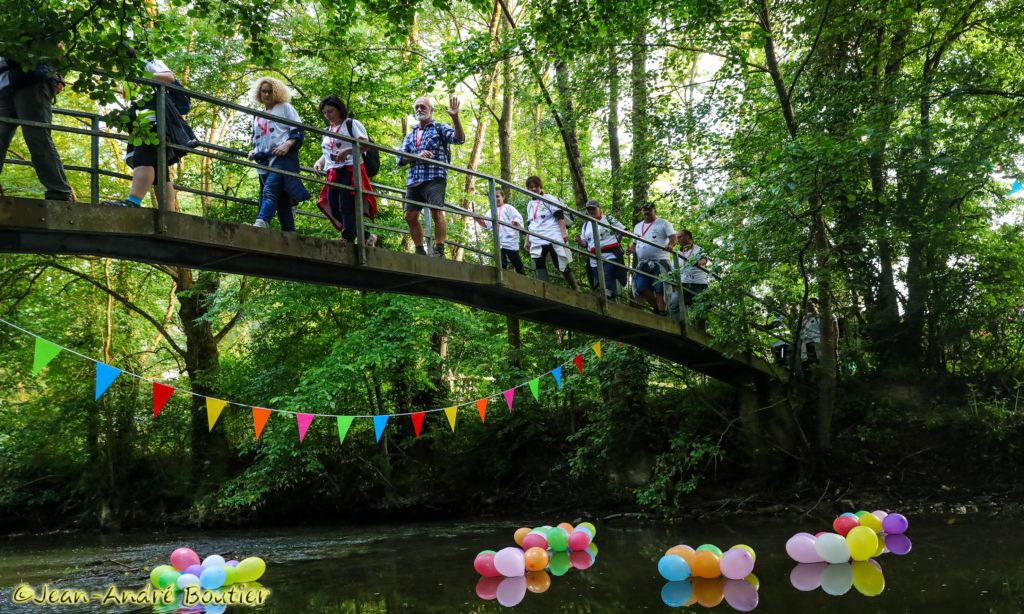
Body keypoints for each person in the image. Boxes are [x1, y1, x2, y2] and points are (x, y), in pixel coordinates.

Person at [102, 55, 195, 208]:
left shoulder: (145, 60)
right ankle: (169, 214)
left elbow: (169, 77)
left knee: (142, 159)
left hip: (155, 123)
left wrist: (142, 76)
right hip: (143, 124)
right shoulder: (127, 74)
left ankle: (133, 202)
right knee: (160, 171)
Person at [396, 95, 465, 258]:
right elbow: (400, 159)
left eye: (423, 106)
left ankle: (439, 249)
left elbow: (459, 139)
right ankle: (420, 250)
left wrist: (455, 118)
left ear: (431, 110)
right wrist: (417, 155)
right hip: (414, 180)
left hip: (435, 177)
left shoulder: (439, 128)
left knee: (436, 211)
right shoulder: (410, 135)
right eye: (417, 107)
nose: (419, 109)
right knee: (409, 216)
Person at [0, 55, 73, 201]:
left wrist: (56, 74)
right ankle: (59, 192)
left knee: (37, 137)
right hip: (4, 83)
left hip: (32, 79)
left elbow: (57, 49)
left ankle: (59, 193)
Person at [312, 95, 377, 246]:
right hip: (333, 171)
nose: (327, 115)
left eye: (330, 112)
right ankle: (367, 236)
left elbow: (365, 145)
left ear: (339, 110)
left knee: (346, 206)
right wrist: (319, 162)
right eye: (325, 113)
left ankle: (347, 238)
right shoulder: (327, 130)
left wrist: (347, 151)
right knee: (334, 208)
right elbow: (328, 151)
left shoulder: (351, 124)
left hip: (350, 169)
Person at [246, 77, 309, 230]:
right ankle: (289, 232)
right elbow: (258, 138)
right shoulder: (258, 115)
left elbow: (298, 130)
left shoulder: (285, 107)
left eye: (270, 91)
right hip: (264, 160)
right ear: (259, 93)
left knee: (269, 190)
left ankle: (261, 222)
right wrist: (254, 150)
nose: (266, 95)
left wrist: (287, 144)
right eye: (263, 91)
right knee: (280, 198)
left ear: (277, 92)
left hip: (282, 157)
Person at [523, 176, 578, 290]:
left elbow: (559, 215)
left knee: (560, 262)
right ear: (528, 189)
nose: (533, 189)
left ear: (540, 186)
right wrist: (527, 240)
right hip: (537, 237)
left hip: (552, 235)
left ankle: (575, 288)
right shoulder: (530, 205)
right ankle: (544, 289)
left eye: (536, 186)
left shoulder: (549, 198)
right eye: (531, 187)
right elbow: (530, 223)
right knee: (538, 262)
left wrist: (563, 232)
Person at [628, 202, 675, 315]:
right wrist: (631, 249)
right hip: (642, 263)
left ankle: (662, 312)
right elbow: (635, 242)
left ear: (655, 210)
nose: (646, 212)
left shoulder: (663, 223)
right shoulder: (638, 226)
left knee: (660, 288)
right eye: (644, 210)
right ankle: (657, 309)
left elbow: (673, 237)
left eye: (649, 209)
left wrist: (670, 245)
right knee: (641, 287)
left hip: (660, 261)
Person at [576, 200, 627, 300]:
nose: (591, 211)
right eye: (589, 209)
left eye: (593, 208)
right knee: (598, 279)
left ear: (599, 209)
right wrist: (579, 241)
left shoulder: (608, 219)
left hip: (610, 254)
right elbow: (585, 243)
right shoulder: (586, 225)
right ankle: (612, 299)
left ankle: (607, 298)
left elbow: (624, 230)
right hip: (594, 257)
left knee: (606, 274)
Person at [474, 189, 524, 273]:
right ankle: (502, 277)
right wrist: (478, 220)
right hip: (499, 241)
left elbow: (517, 217)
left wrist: (516, 222)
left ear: (503, 197)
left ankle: (522, 275)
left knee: (515, 260)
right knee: (501, 262)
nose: (495, 199)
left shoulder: (508, 208)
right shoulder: (490, 212)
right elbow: (486, 224)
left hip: (510, 239)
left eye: (497, 196)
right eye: (492, 197)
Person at [673, 229, 709, 320]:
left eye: (679, 237)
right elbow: (674, 270)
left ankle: (701, 332)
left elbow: (705, 260)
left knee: (700, 311)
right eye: (677, 238)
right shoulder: (677, 254)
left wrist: (698, 263)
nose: (678, 239)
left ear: (687, 237)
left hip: (699, 284)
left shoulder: (699, 249)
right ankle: (678, 328)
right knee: (673, 304)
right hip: (683, 284)